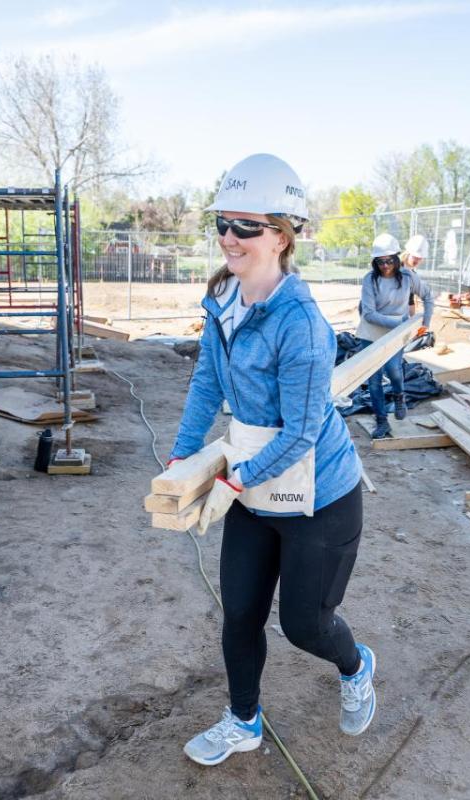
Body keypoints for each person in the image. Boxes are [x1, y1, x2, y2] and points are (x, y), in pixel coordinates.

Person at [169, 154, 376, 766]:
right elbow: (208, 379)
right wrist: (183, 455)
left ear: (282, 236)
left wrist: (235, 479)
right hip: (253, 482)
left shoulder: (302, 324)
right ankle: (243, 720)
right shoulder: (224, 301)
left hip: (319, 495)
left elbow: (305, 430)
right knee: (240, 613)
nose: (229, 238)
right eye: (223, 224)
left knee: (306, 626)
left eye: (245, 227)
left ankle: (357, 664)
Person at [358, 232, 434, 439]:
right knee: (373, 381)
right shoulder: (369, 280)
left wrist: (424, 324)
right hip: (371, 332)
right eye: (380, 261)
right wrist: (399, 322)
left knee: (394, 372)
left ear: (395, 258)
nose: (384, 265)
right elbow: (369, 314)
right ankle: (382, 422)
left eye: (388, 260)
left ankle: (399, 396)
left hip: (395, 334)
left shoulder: (409, 277)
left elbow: (428, 297)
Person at [401, 234, 429, 318]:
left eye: (419, 258)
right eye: (415, 257)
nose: (417, 260)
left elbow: (410, 299)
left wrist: (412, 320)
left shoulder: (412, 274)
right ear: (408, 253)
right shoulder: (396, 268)